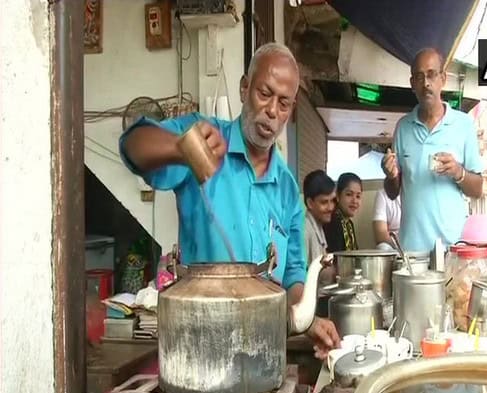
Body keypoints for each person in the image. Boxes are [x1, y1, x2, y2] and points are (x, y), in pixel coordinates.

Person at [119, 42, 339, 359]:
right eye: (264, 93)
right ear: (244, 88)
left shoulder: (288, 190)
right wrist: (181, 148)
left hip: (263, 352)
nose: (272, 111)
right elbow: (133, 146)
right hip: (199, 346)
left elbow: (293, 274)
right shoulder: (204, 140)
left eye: (284, 104)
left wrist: (307, 320)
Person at [381, 47, 483, 252]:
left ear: (443, 78)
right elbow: (392, 193)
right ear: (412, 83)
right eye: (419, 77)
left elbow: (478, 189)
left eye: (431, 74)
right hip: (412, 250)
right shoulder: (403, 127)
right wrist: (391, 176)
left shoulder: (463, 125)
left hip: (452, 247)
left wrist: (458, 172)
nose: (426, 83)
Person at [323, 172, 362, 252]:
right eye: (349, 194)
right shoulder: (332, 222)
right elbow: (335, 256)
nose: (354, 201)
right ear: (337, 196)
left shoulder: (349, 223)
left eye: (358, 196)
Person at [303, 169, 336, 262]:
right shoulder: (304, 230)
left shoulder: (318, 224)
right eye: (324, 202)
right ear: (310, 203)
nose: (330, 208)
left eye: (332, 201)